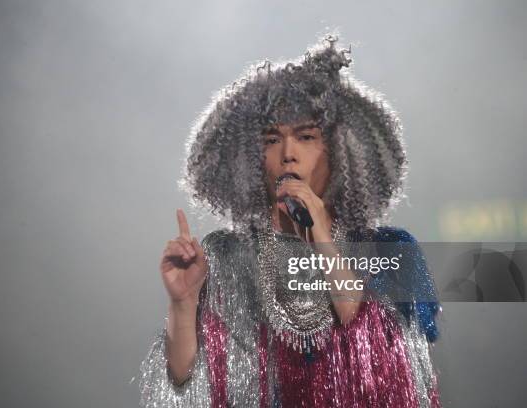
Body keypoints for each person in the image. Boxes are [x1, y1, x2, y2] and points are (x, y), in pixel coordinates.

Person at [139, 34, 442, 407]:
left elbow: (391, 375)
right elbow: (187, 387)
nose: (288, 155)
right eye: (271, 140)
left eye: (306, 137)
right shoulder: (225, 256)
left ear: (340, 152)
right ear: (250, 159)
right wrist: (183, 303)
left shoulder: (391, 249)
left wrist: (323, 241)